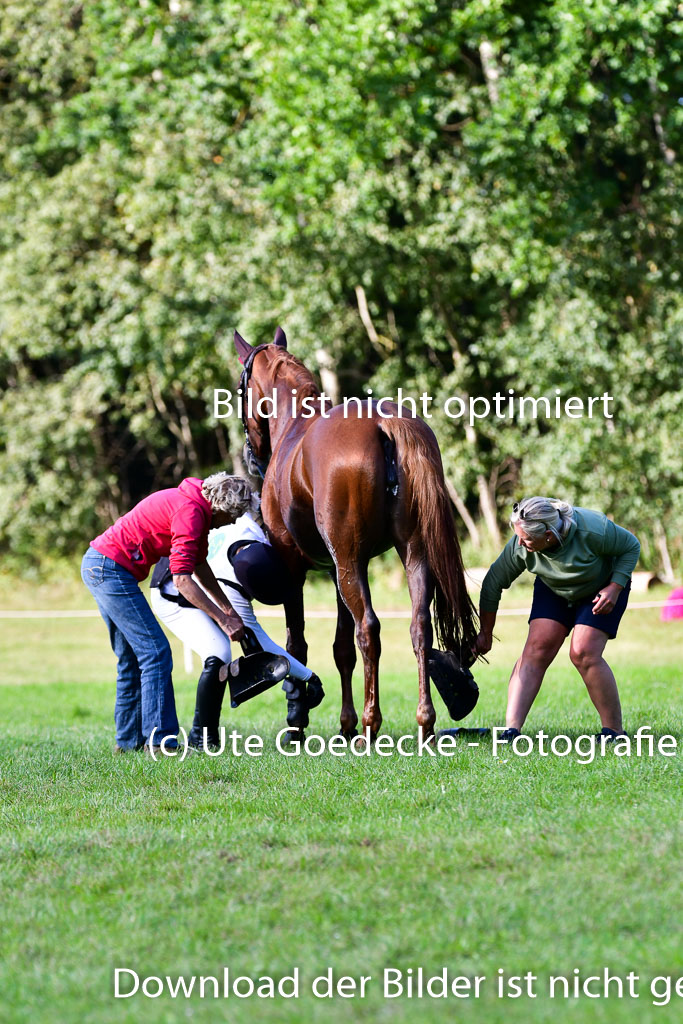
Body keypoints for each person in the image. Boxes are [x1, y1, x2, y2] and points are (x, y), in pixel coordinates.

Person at [81, 473, 255, 753]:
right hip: (109, 569)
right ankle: (160, 741)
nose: (233, 523)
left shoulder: (195, 504)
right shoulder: (191, 513)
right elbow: (182, 580)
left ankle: (127, 743)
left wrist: (228, 610)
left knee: (130, 658)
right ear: (222, 509)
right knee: (156, 652)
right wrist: (222, 621)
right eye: (233, 517)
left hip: (100, 565)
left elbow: (199, 567)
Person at [150, 511, 323, 749]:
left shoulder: (250, 529)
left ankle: (204, 737)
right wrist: (309, 677)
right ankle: (201, 738)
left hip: (198, 581)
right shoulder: (233, 584)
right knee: (218, 655)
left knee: (222, 655)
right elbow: (263, 645)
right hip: (171, 595)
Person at [474, 497, 640, 740]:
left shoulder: (593, 528)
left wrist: (615, 587)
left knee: (583, 652)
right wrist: (485, 633)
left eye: (526, 539)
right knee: (536, 648)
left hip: (602, 587)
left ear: (550, 535)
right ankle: (510, 731)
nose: (519, 543)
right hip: (554, 588)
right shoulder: (520, 546)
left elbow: (630, 546)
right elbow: (492, 585)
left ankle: (614, 732)